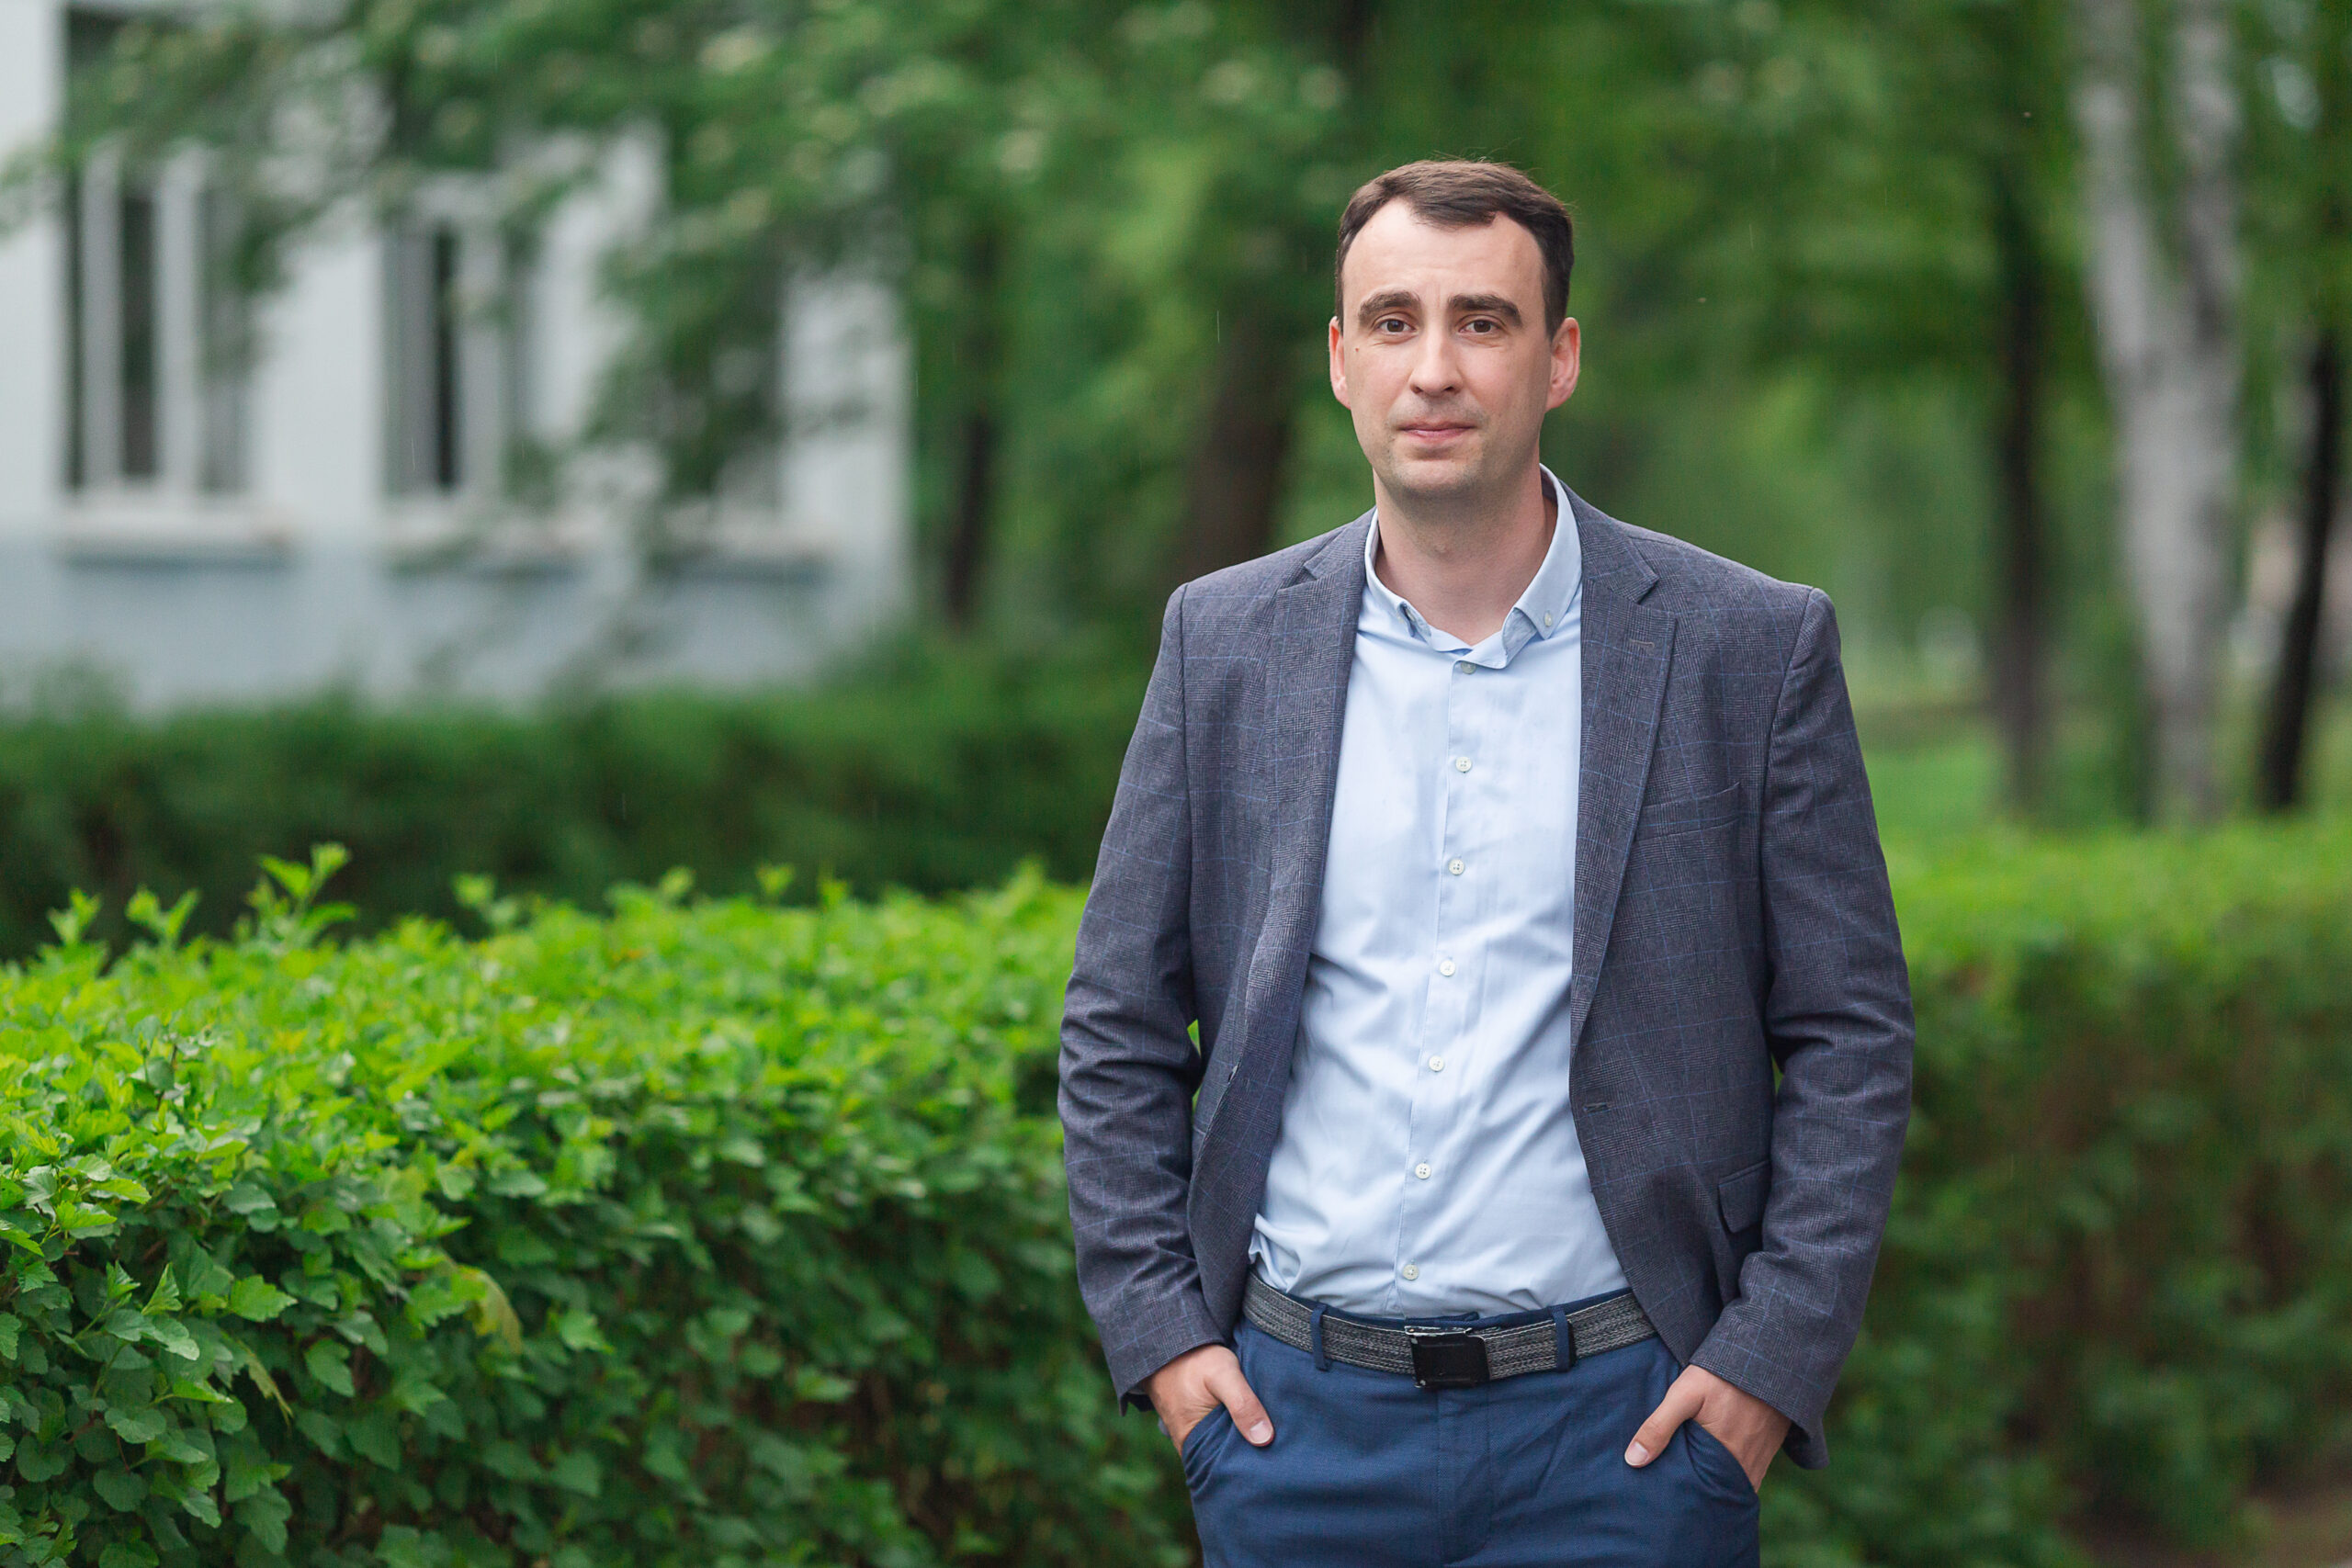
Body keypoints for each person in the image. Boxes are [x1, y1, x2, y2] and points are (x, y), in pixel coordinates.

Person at [1059, 159, 1913, 1568]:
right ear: (1341, 362)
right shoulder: (1223, 645)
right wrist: (1165, 1345)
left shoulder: (1746, 650)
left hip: (1628, 1445)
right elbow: (1118, 1021)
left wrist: (1767, 1365)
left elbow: (1850, 1035)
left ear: (1559, 357)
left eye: (1484, 322)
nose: (1435, 369)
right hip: (1294, 1443)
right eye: (1392, 322)